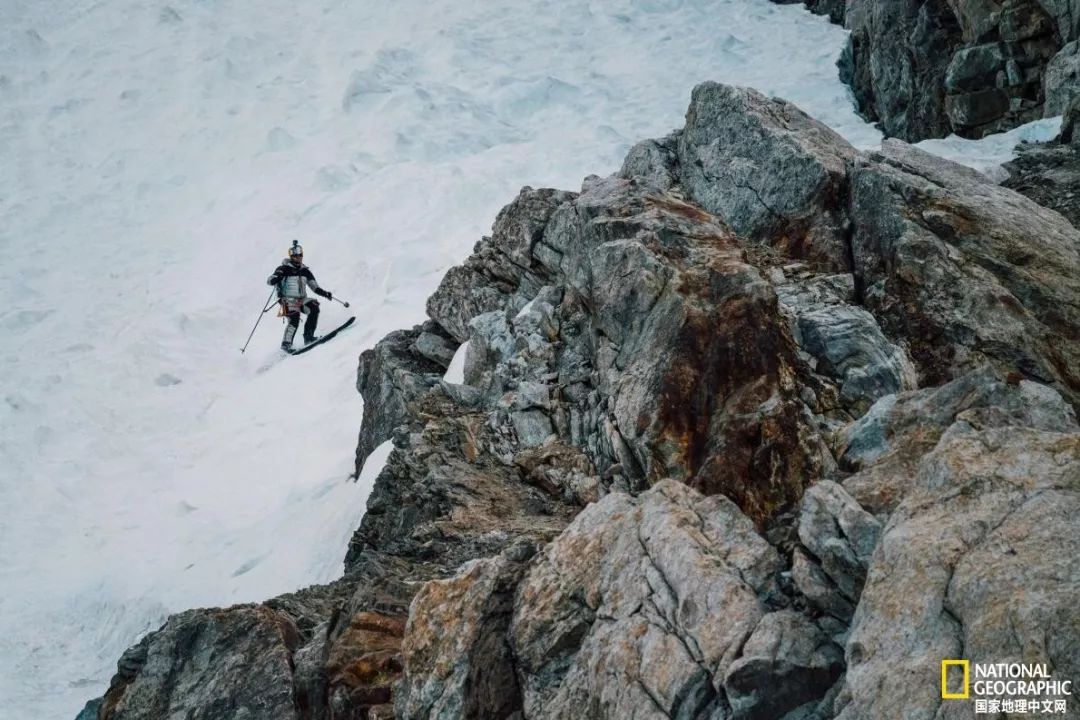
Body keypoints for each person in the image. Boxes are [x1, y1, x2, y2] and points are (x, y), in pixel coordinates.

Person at [266, 240, 335, 350]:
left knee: (314, 307)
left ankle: (308, 337)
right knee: (294, 318)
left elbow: (314, 287)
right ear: (291, 256)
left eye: (300, 255)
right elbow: (269, 280)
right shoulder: (283, 269)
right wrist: (276, 278)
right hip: (287, 299)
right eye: (296, 255)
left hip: (301, 299)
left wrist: (325, 293)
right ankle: (286, 344)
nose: (298, 257)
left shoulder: (305, 271)